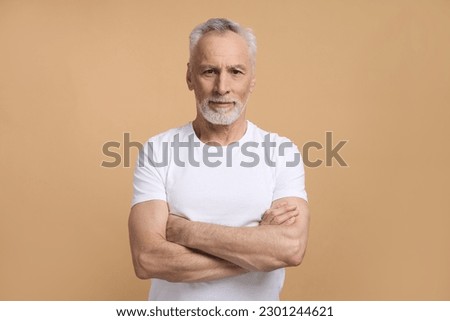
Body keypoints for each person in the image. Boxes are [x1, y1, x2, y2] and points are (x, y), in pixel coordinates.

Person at [128, 18, 310, 300]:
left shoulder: (281, 152)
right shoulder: (158, 150)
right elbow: (148, 259)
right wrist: (259, 253)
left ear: (252, 80)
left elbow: (291, 249)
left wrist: (185, 231)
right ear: (190, 76)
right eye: (209, 71)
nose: (222, 87)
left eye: (236, 71)